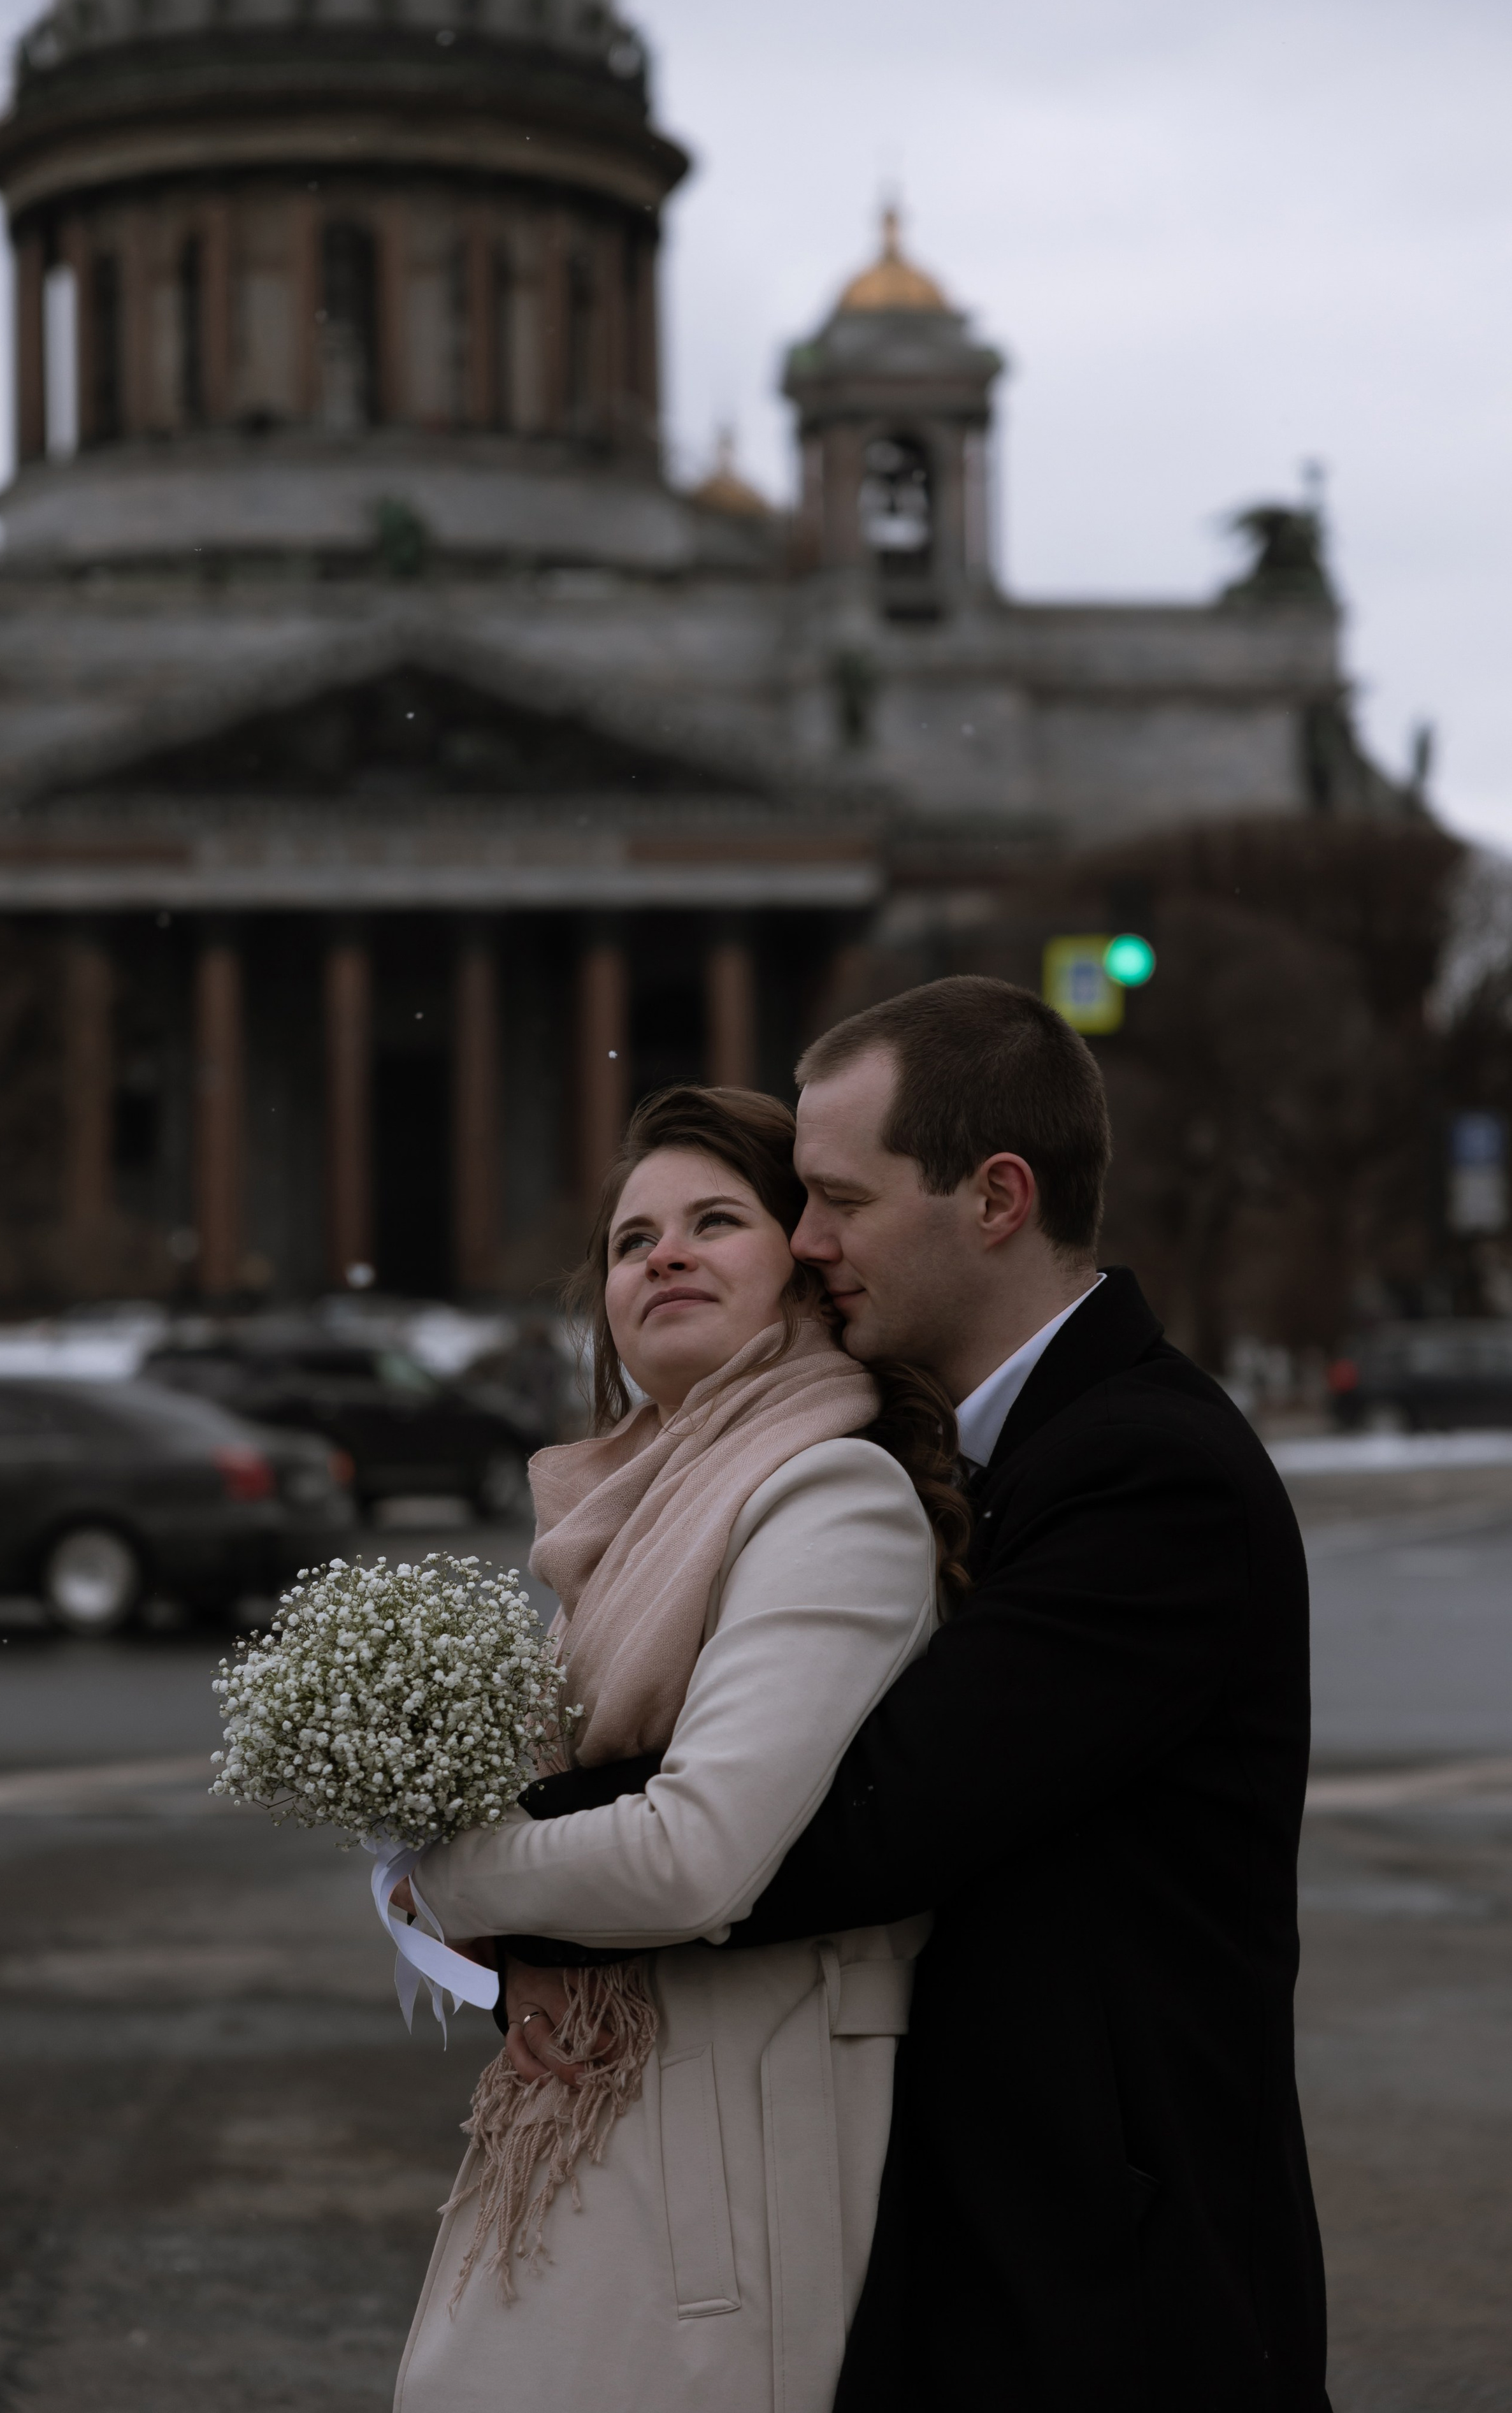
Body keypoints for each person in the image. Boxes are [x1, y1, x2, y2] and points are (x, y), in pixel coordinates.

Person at [520, 976, 1330, 2413]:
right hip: (986, 2245)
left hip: (1111, 2282)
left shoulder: (1150, 1474)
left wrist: (488, 1865)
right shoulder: (963, 1458)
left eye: (836, 1201)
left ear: (996, 1198)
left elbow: (865, 1817)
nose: (807, 1241)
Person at [392, 1083, 970, 2413]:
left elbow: (690, 1855)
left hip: (730, 2158)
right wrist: (478, 1920)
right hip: (614, 2114)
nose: (663, 1254)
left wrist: (453, 1884)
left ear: (807, 1268)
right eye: (629, 1239)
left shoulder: (829, 1497)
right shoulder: (630, 1520)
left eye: (716, 1220)